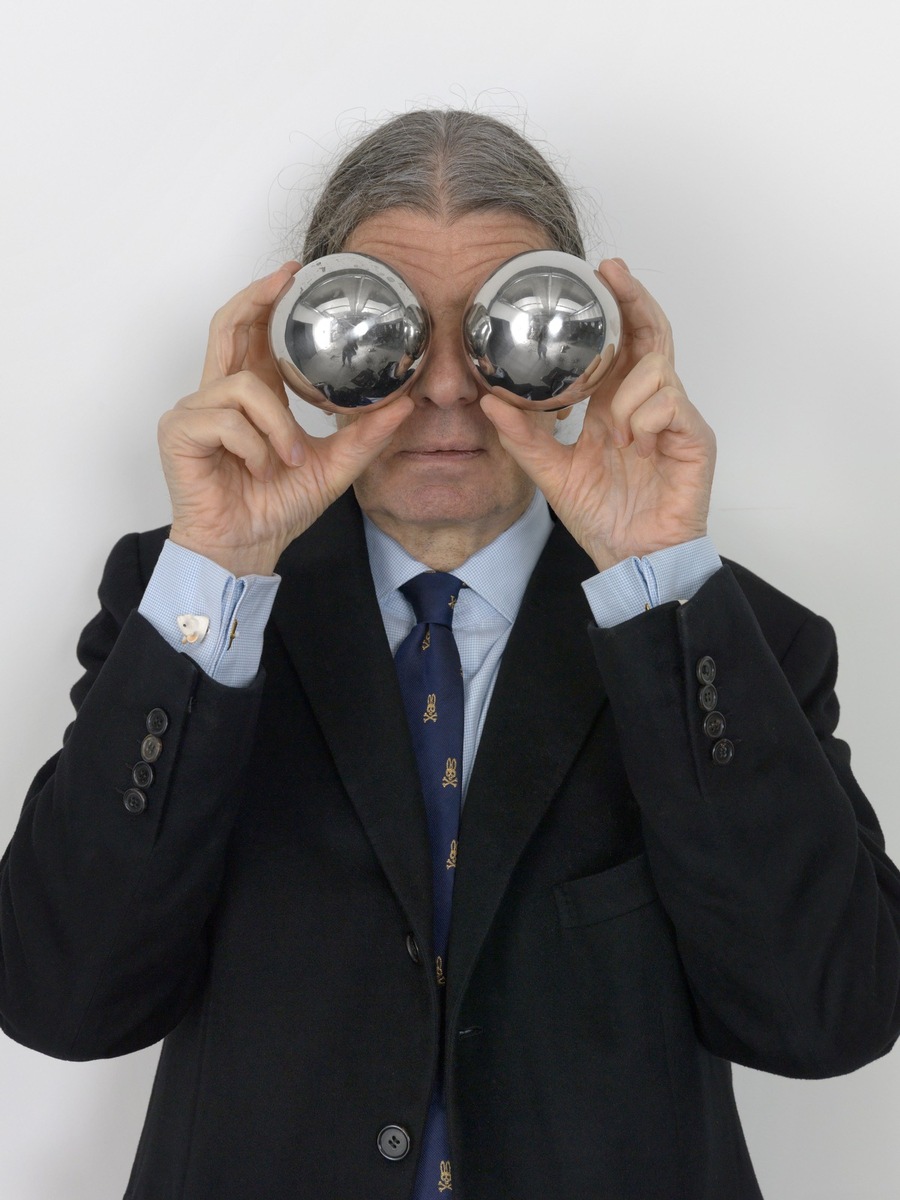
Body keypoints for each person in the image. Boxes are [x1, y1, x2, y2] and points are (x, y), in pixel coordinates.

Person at [1, 109, 899, 1200]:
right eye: (379, 331)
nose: (442, 387)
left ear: (589, 356)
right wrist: (220, 570)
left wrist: (655, 577)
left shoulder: (726, 639)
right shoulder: (185, 606)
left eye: (504, 331)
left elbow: (827, 1019)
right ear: (294, 353)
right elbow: (62, 999)